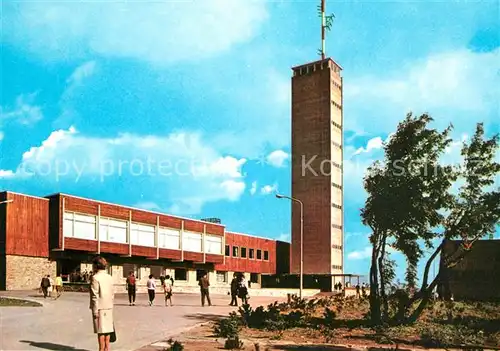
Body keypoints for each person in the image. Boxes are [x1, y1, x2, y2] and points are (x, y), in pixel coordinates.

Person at [89, 256, 115, 351]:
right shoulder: (110, 277)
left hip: (99, 308)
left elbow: (94, 296)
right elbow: (112, 293)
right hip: (108, 306)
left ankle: (101, 349)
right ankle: (107, 349)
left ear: (96, 266)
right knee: (108, 331)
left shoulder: (95, 278)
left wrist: (95, 310)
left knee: (100, 332)